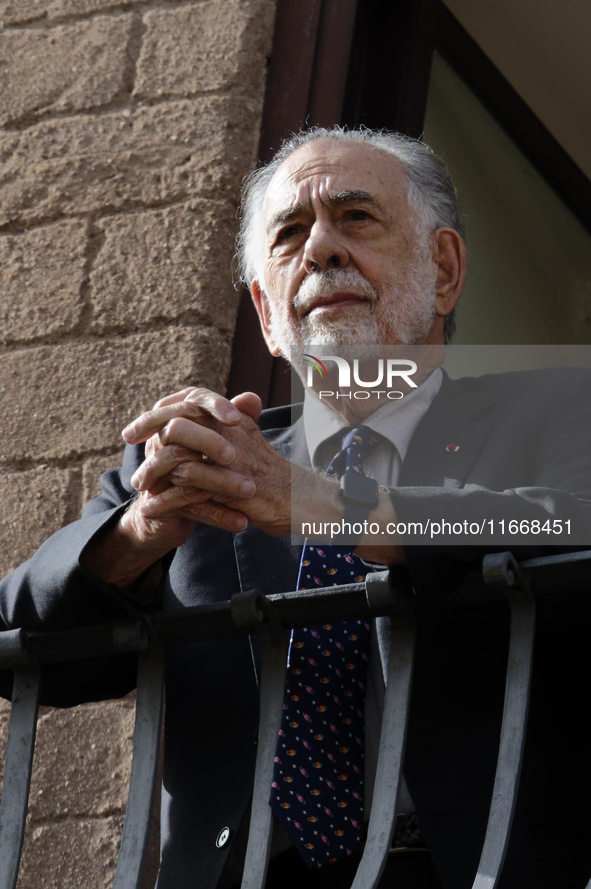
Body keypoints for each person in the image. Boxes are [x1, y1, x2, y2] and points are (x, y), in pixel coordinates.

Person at [1, 127, 591, 889]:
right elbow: (21, 640)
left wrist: (330, 505)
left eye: (355, 219)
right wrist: (141, 533)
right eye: (289, 234)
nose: (320, 249)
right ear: (264, 309)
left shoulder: (555, 412)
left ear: (443, 270)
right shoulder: (203, 461)